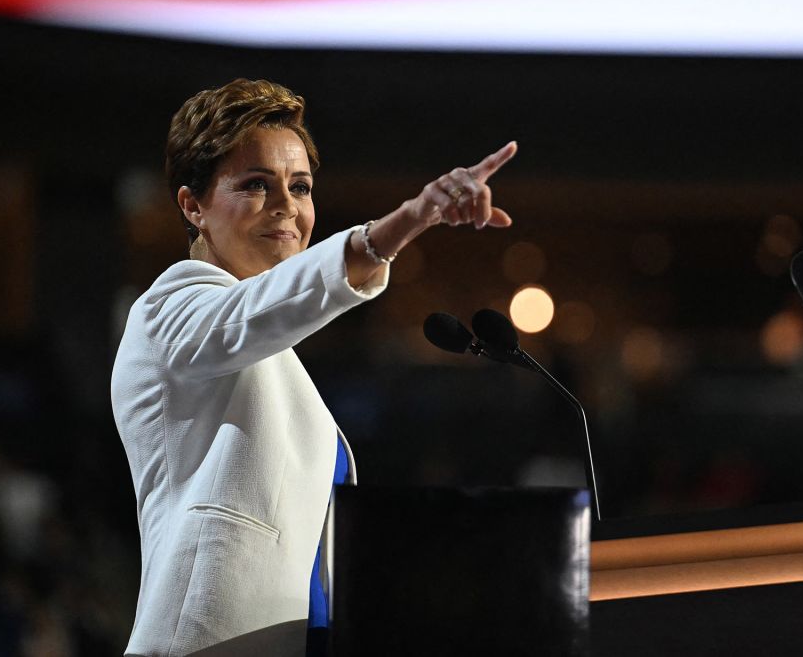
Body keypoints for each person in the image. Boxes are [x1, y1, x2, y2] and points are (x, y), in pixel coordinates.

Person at [111, 78, 516, 656]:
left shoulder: (271, 353)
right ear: (192, 205)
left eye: (300, 187)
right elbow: (252, 312)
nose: (287, 207)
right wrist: (408, 221)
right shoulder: (167, 310)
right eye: (256, 184)